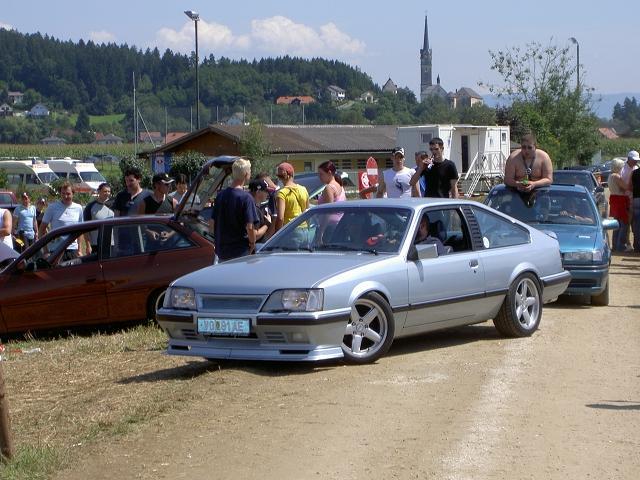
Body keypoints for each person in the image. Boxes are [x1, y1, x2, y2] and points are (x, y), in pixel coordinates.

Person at [211, 157, 258, 261]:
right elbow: (250, 227)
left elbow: (212, 223)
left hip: (222, 252)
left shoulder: (220, 196)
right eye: (250, 171)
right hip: (240, 252)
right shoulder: (246, 198)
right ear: (246, 174)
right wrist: (252, 243)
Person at [38, 182, 89, 260]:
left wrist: (79, 250)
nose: (65, 196)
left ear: (73, 194)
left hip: (72, 249)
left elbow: (80, 231)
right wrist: (45, 250)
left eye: (68, 194)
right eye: (63, 193)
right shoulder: (52, 208)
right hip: (56, 249)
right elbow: (41, 230)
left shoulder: (78, 208)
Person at [274, 162, 309, 231]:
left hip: (291, 230)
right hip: (304, 229)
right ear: (292, 174)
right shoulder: (303, 189)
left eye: (279, 176)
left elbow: (280, 218)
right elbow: (307, 211)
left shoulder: (282, 193)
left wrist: (277, 234)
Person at [82, 182, 114, 250]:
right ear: (99, 191)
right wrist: (88, 245)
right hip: (95, 244)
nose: (107, 193)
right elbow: (85, 228)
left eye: (109, 191)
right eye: (105, 191)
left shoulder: (115, 205)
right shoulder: (90, 207)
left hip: (112, 244)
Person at [608, 159, 630, 252]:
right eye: (621, 167)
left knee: (617, 224)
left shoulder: (610, 176)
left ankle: (615, 245)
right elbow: (626, 187)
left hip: (614, 199)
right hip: (620, 200)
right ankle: (621, 245)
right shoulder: (616, 176)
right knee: (623, 223)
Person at [621, 150, 639, 250]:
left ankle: (636, 244)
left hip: (634, 198)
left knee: (635, 224)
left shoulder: (636, 168)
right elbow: (622, 185)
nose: (636, 162)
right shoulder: (623, 169)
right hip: (626, 199)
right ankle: (627, 243)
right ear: (629, 159)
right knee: (627, 223)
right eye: (634, 160)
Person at [248, 178, 274, 242]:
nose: (268, 194)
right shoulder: (253, 209)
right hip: (255, 248)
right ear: (258, 192)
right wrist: (267, 224)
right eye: (266, 191)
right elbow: (255, 236)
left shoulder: (255, 207)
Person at [631, 162, 640, 252]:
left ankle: (637, 246)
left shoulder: (635, 172)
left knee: (637, 223)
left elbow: (631, 185)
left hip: (636, 198)